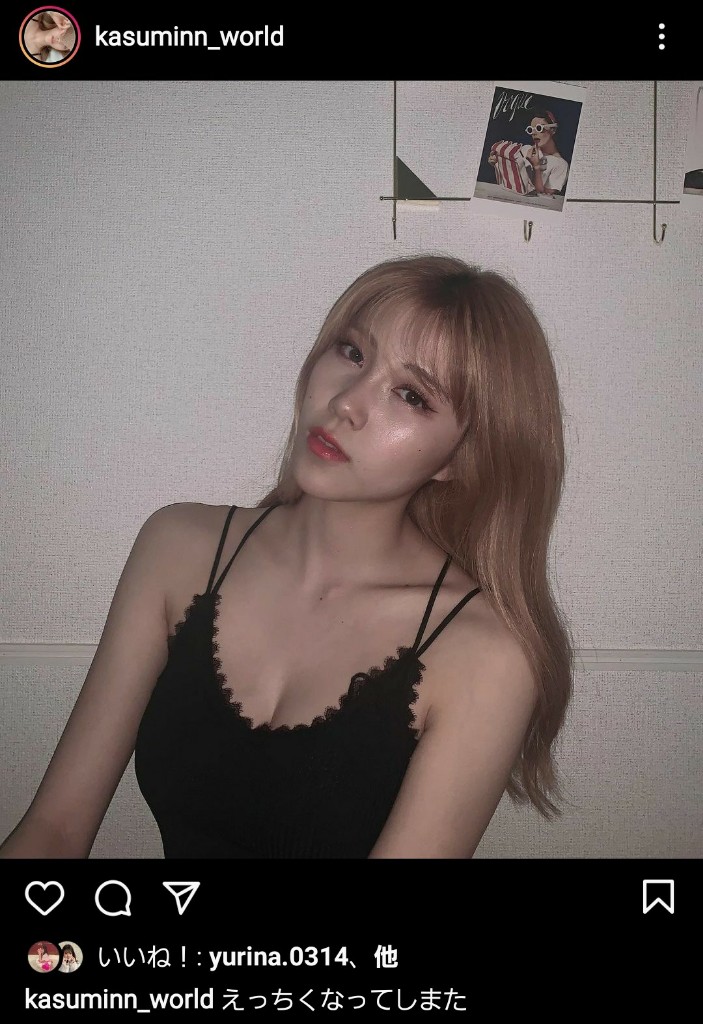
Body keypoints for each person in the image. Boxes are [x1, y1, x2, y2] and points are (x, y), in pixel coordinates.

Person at [0, 254, 573, 859]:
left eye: (410, 395)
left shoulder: (484, 654)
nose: (347, 401)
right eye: (353, 352)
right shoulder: (176, 548)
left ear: (461, 457)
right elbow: (56, 830)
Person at [489, 109, 570, 197]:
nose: (534, 133)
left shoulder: (561, 164)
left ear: (553, 130)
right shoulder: (525, 149)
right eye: (531, 129)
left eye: (539, 128)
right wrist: (496, 161)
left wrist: (536, 167)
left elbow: (544, 194)